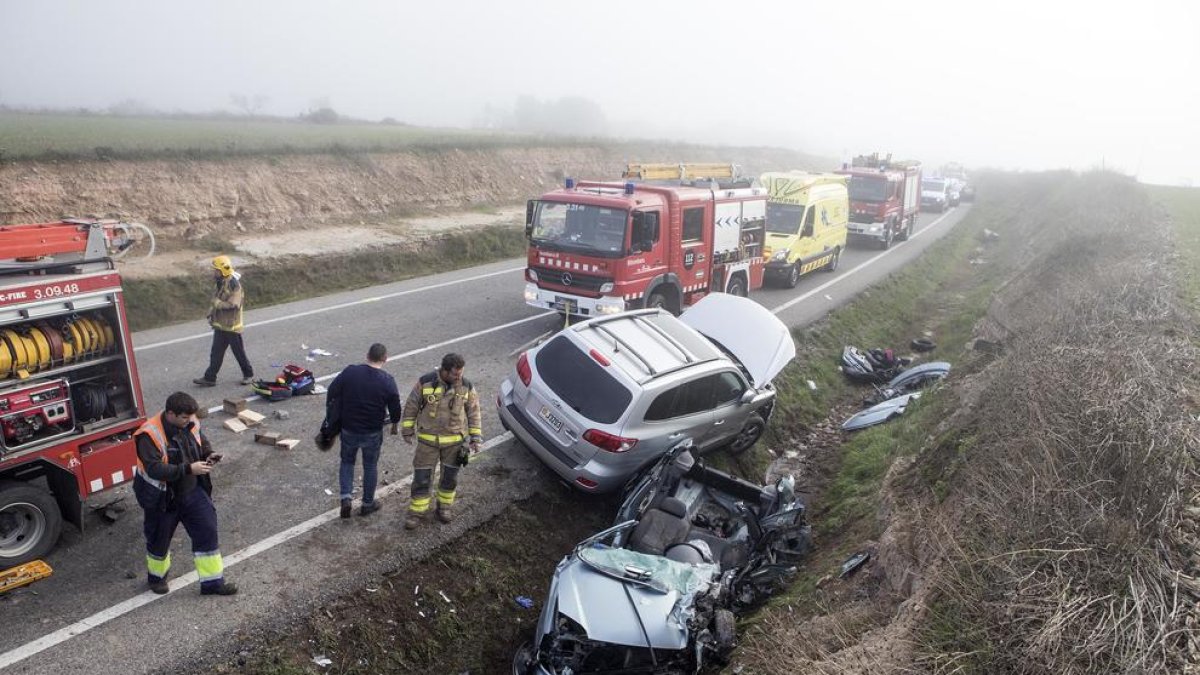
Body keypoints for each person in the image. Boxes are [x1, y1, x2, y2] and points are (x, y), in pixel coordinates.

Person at [131, 391, 237, 596]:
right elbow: (154, 469)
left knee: (207, 530)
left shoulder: (190, 421)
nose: (190, 420)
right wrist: (188, 469)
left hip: (191, 491)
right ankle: (156, 578)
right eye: (184, 417)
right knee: (158, 540)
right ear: (170, 414)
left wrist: (208, 454)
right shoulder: (149, 434)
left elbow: (200, 441)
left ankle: (213, 583)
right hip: (162, 498)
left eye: (191, 416)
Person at [401, 353, 482, 529]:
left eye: (460, 373)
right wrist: (407, 430)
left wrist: (475, 438)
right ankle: (416, 512)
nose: (458, 377)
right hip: (427, 443)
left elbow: (474, 412)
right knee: (422, 478)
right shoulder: (426, 382)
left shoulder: (466, 386)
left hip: (454, 443)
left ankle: (444, 507)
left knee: (450, 479)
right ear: (444, 371)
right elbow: (411, 406)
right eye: (455, 374)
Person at [326, 343, 402, 518]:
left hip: (349, 428)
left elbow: (332, 390)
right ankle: (367, 504)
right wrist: (395, 423)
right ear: (385, 359)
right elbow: (395, 407)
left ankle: (346, 498)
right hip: (372, 432)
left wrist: (333, 413)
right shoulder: (387, 381)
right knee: (370, 466)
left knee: (347, 462)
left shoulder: (350, 372)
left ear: (367, 355)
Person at [193, 255, 254, 387]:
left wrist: (218, 304)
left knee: (239, 353)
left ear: (223, 271)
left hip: (232, 327)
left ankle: (248, 374)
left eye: (216, 270)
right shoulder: (221, 283)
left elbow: (234, 305)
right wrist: (211, 311)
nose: (214, 272)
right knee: (216, 353)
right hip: (221, 326)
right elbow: (216, 298)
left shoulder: (234, 285)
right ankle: (210, 377)